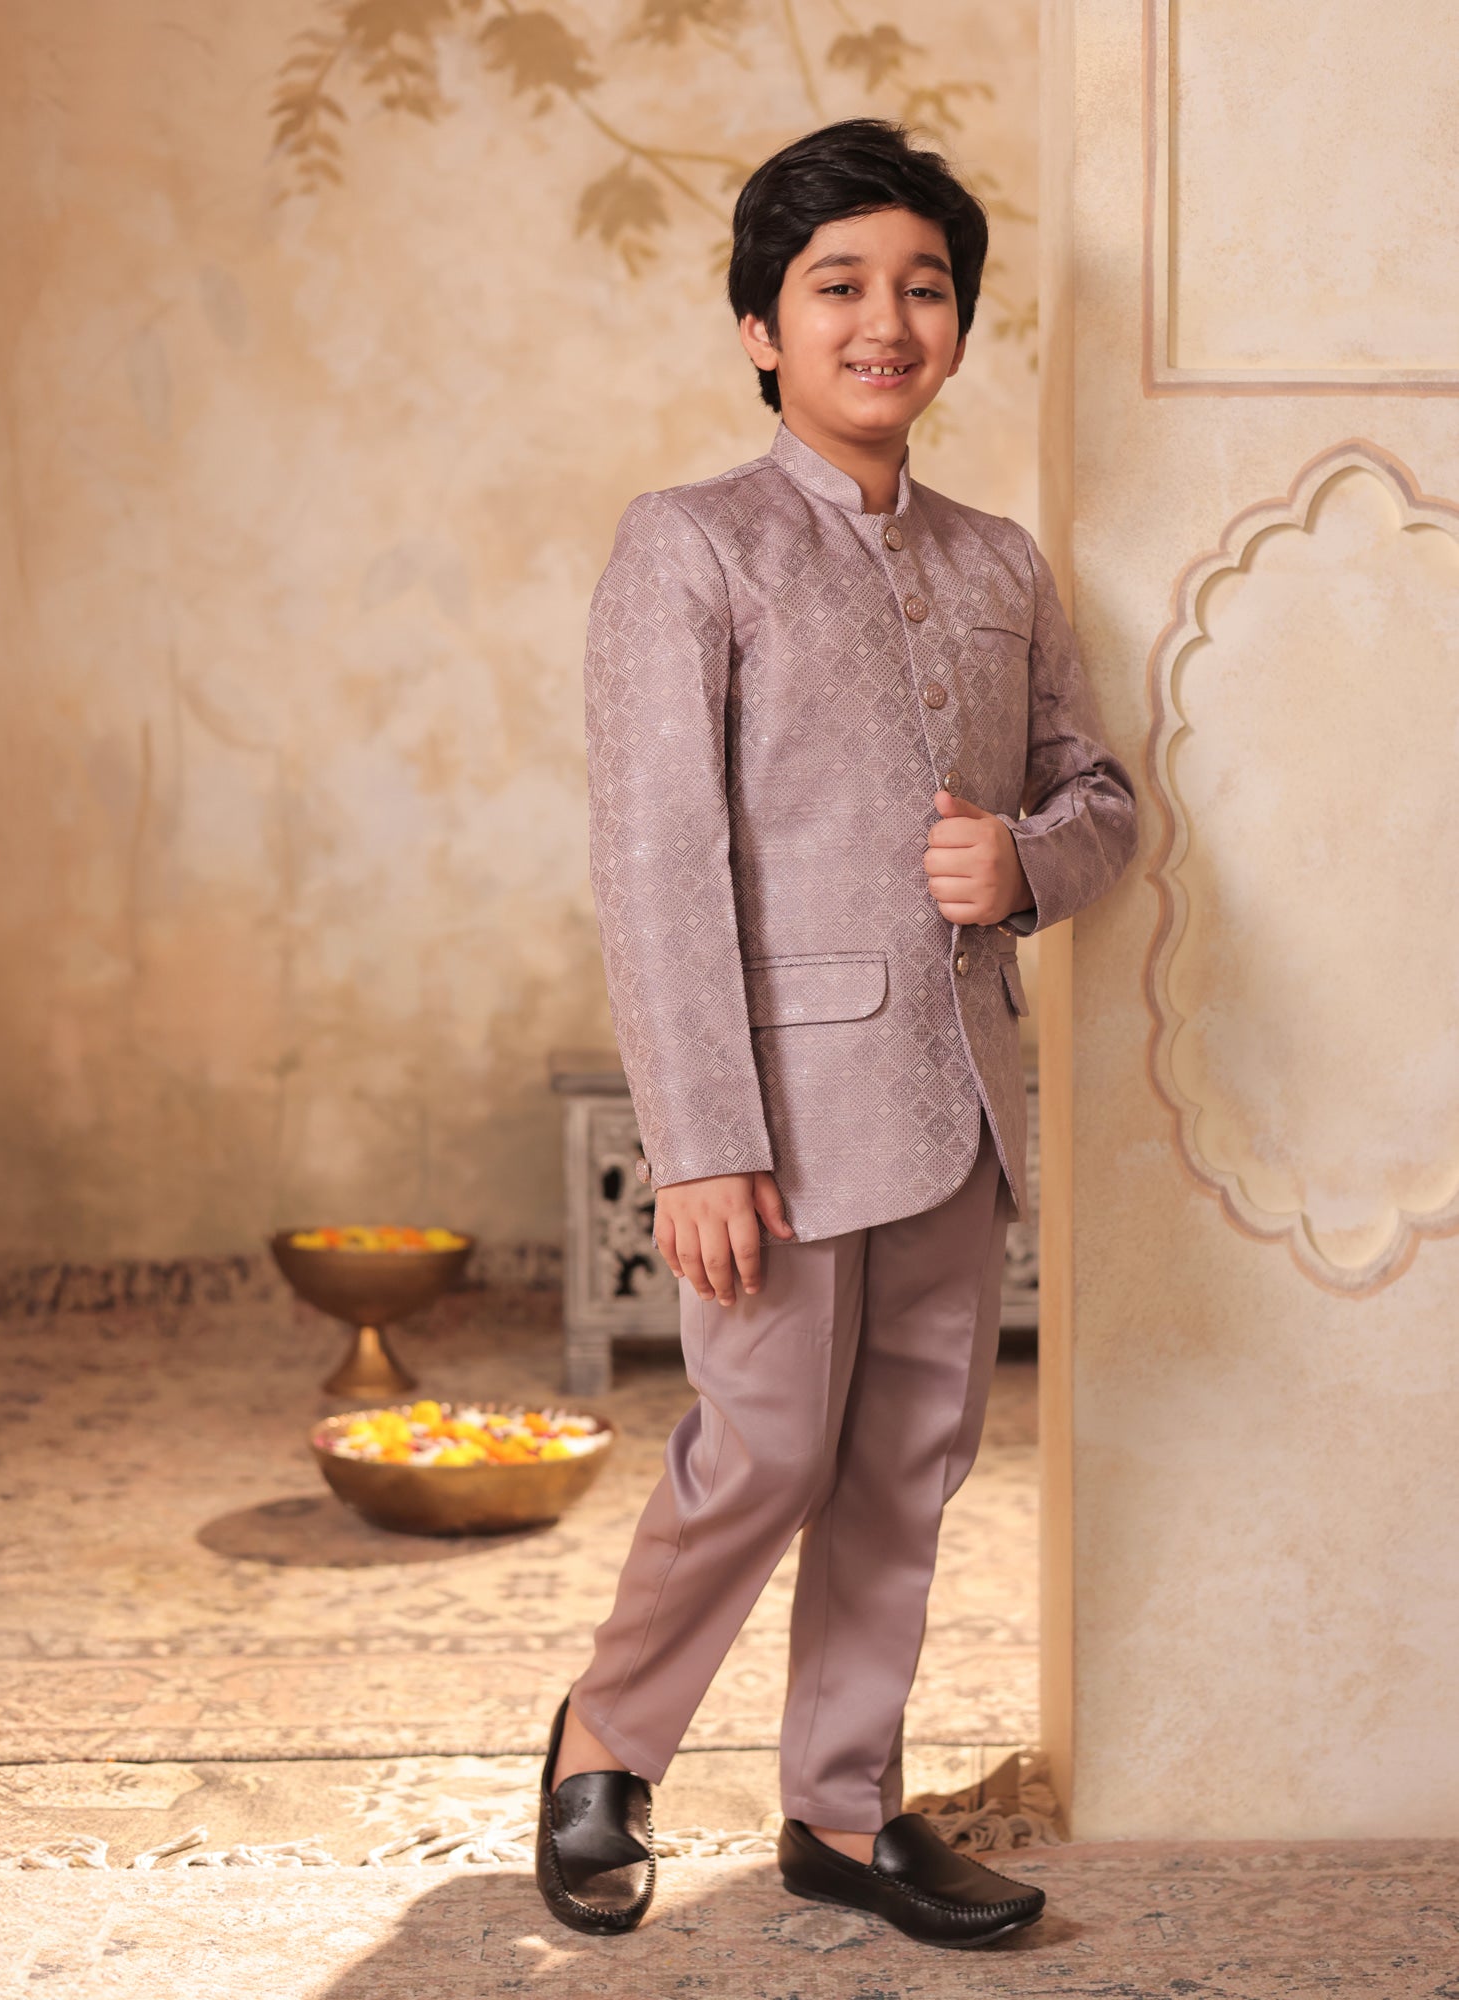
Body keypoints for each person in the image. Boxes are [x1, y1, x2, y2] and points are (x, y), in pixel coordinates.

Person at [535, 115, 1138, 1947]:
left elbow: (1103, 800)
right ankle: (605, 1746)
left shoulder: (1002, 563)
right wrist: (700, 1145)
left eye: (924, 287)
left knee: (906, 1469)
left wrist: (1021, 865)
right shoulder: (692, 547)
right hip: (779, 1123)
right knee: (767, 1450)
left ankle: (844, 1812)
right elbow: (659, 865)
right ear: (762, 326)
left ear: (958, 324)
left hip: (961, 1103)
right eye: (839, 286)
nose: (887, 321)